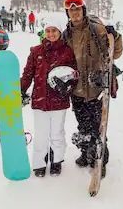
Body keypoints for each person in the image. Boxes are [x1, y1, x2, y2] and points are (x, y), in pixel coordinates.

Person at [62, 0, 123, 178]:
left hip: (96, 89)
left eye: (77, 9)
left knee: (98, 128)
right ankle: (85, 152)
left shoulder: (97, 30)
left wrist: (116, 37)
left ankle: (100, 160)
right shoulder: (66, 35)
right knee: (83, 126)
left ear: (83, 10)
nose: (75, 13)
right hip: (77, 90)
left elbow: (116, 53)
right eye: (71, 10)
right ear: (68, 13)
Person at [20, 18, 77, 177]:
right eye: (48, 30)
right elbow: (27, 74)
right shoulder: (36, 51)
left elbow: (74, 74)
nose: (51, 34)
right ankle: (39, 163)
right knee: (41, 134)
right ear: (45, 32)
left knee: (57, 133)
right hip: (40, 100)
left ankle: (56, 161)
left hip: (59, 101)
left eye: (54, 31)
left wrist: (67, 86)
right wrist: (21, 90)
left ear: (59, 32)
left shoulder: (67, 51)